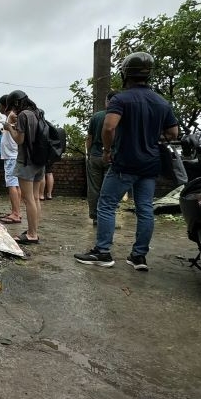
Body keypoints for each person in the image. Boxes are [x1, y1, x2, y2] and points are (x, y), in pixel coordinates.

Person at [75, 52, 179, 270]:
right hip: (150, 164)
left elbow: (109, 126)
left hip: (125, 162)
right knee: (145, 209)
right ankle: (138, 256)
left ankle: (103, 252)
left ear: (125, 74)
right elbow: (173, 133)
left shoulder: (121, 99)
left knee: (106, 204)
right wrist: (151, 138)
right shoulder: (161, 102)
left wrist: (106, 150)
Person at [4, 90, 44, 245]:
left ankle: (32, 234)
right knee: (35, 198)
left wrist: (9, 128)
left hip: (26, 160)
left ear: (16, 103)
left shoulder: (23, 115)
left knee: (28, 199)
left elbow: (19, 140)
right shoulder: (37, 112)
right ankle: (33, 230)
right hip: (39, 160)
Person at [85, 90, 117, 223]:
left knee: (93, 188)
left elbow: (89, 138)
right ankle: (107, 216)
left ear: (107, 102)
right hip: (112, 156)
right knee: (109, 188)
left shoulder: (96, 117)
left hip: (95, 155)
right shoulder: (119, 117)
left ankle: (95, 216)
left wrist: (89, 153)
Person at [0, 94, 23, 225]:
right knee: (15, 184)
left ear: (3, 105)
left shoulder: (12, 115)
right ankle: (16, 211)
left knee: (12, 184)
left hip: (11, 156)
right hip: (13, 155)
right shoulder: (12, 115)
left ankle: (16, 213)